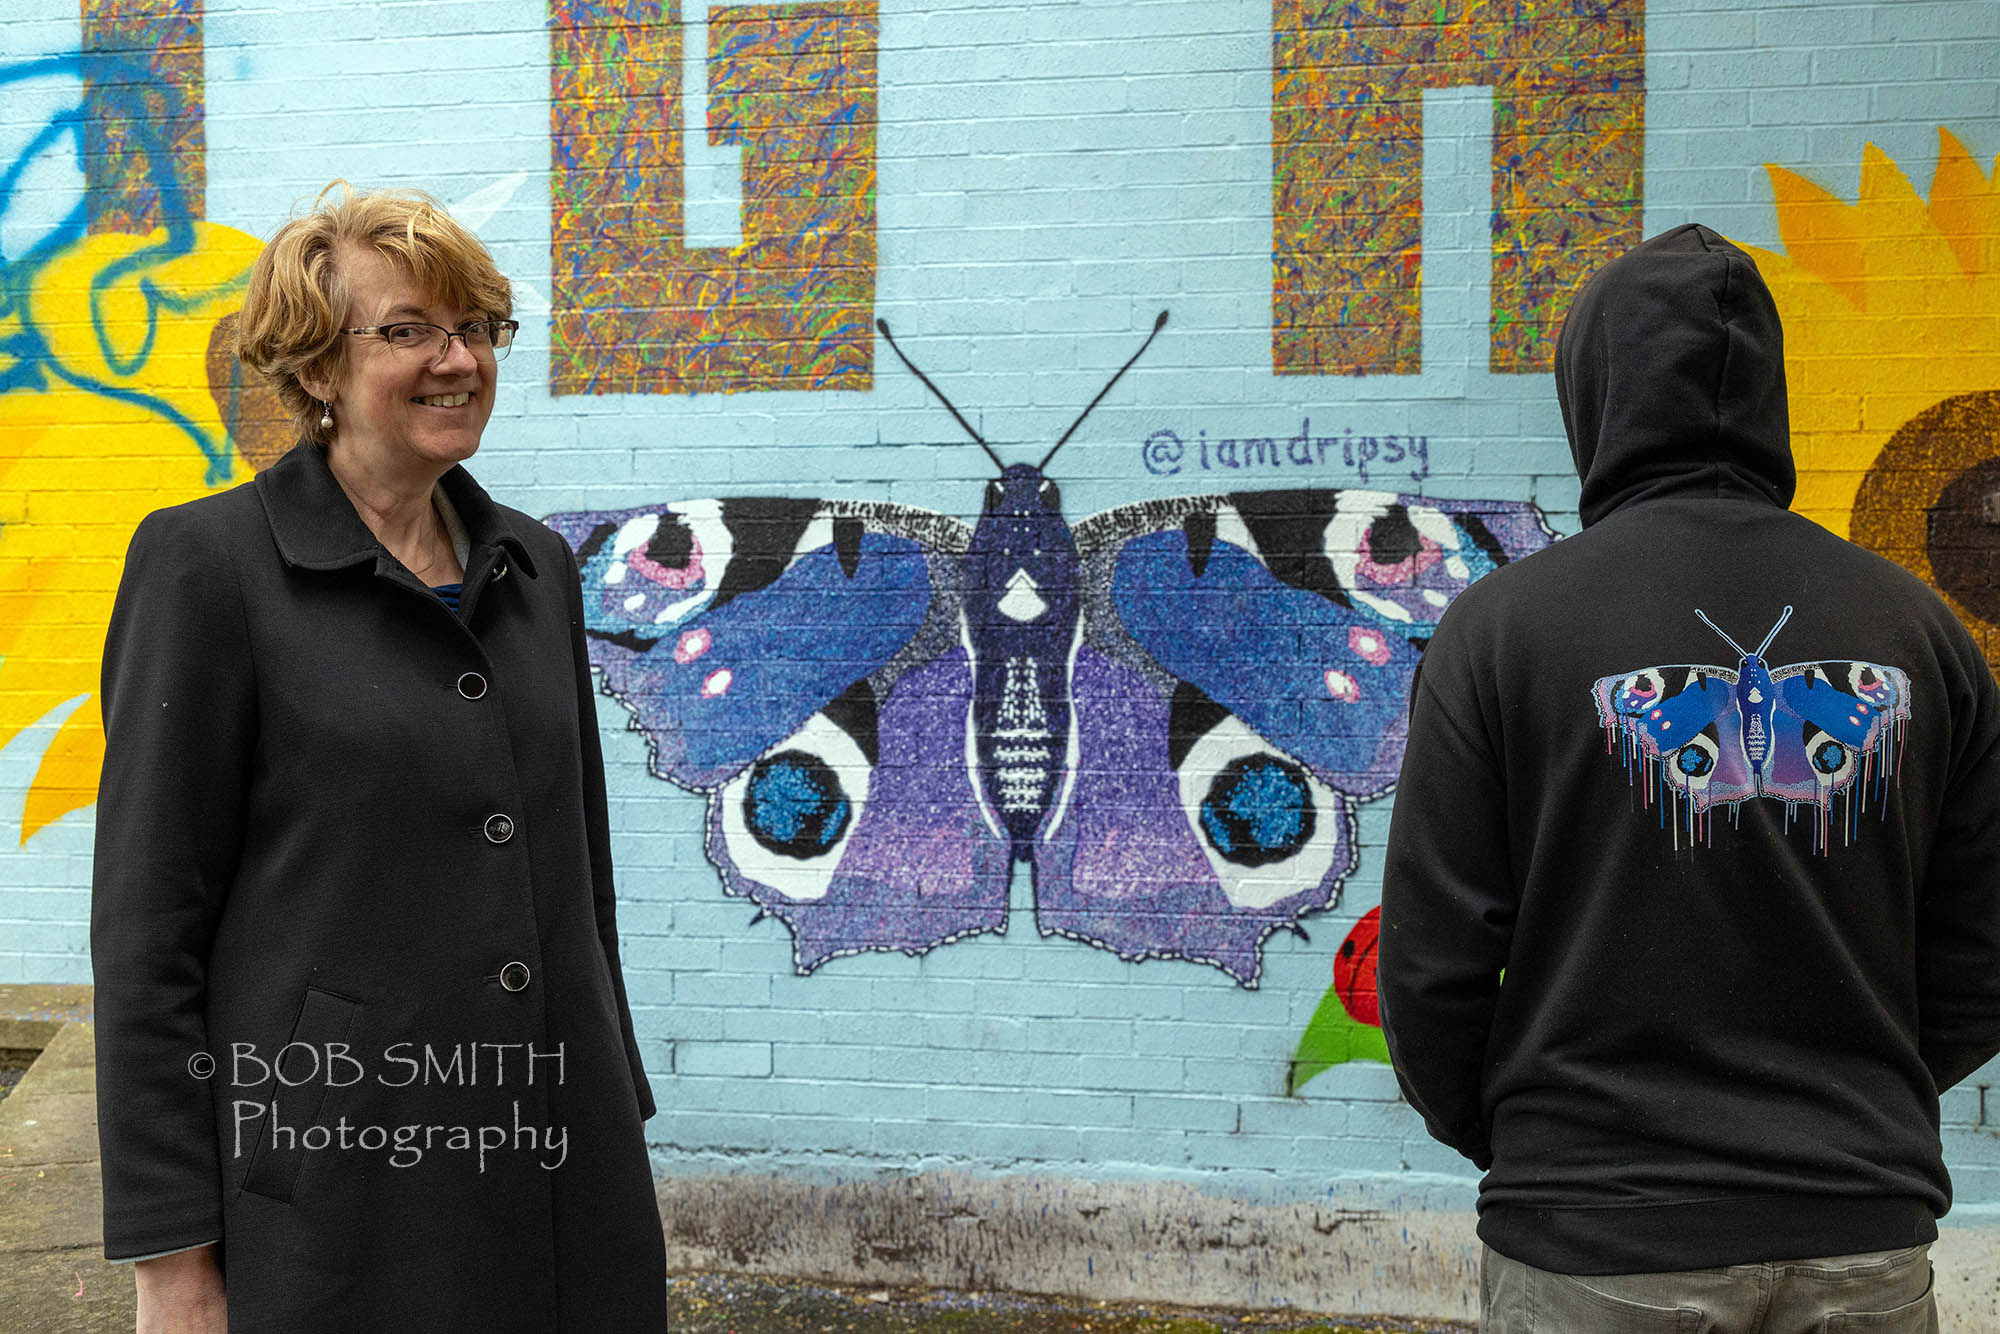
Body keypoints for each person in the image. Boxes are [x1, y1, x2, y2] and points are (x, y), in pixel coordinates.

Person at [1377, 222, 2000, 1333]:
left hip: (1591, 1234)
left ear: (1592, 393)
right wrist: (1856, 1109)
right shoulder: (1919, 632)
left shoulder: (1500, 632)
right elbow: (1984, 943)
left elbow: (1428, 965)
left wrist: (1535, 1140)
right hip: (1856, 1229)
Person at [92, 183, 669, 1332]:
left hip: (563, 1161)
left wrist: (613, 1098)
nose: (456, 360)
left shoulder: (535, 566)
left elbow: (578, 876)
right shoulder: (210, 568)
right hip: (333, 1188)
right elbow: (148, 930)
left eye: (475, 328)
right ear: (314, 367)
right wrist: (171, 1249)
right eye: (407, 330)